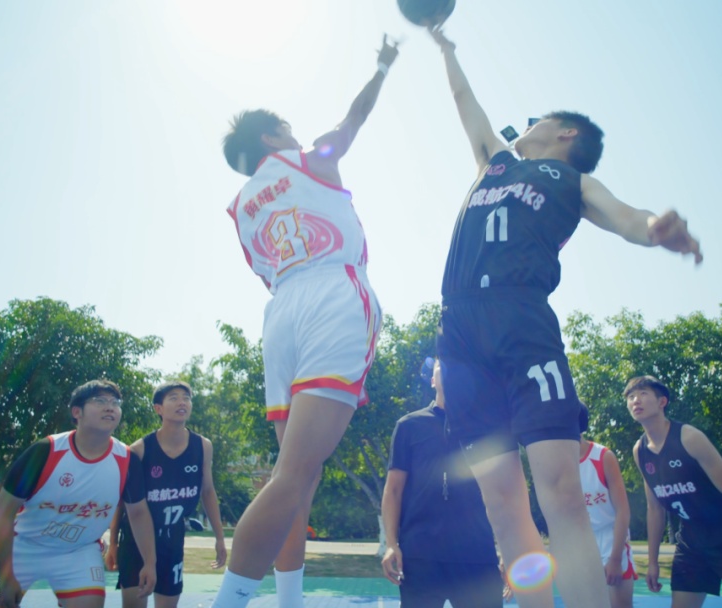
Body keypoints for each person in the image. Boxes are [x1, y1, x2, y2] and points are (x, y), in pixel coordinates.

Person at [426, 28, 703, 608]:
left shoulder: (575, 180)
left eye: (537, 119)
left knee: (561, 496)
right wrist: (445, 49)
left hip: (523, 324)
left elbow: (629, 218)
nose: (523, 125)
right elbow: (463, 101)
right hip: (460, 335)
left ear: (565, 132)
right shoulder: (495, 162)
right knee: (502, 505)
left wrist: (657, 229)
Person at [210, 35, 399, 608]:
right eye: (286, 128)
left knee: (298, 476)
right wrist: (382, 67)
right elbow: (355, 118)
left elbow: (262, 270)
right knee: (292, 476)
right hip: (331, 294)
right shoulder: (307, 158)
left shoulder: (240, 206)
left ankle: (289, 600)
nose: (295, 134)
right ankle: (229, 602)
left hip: (281, 312)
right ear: (271, 139)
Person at [0, 380, 156, 608]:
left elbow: (139, 513)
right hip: (22, 545)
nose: (110, 407)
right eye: (100, 401)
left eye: (115, 402)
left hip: (78, 551)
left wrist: (149, 563)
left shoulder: (127, 460)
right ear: (76, 412)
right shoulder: (45, 451)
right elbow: (3, 513)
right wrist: (5, 576)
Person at [627, 376, 722, 608]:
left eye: (643, 394)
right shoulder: (639, 451)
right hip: (691, 542)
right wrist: (652, 562)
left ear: (662, 402)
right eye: (631, 397)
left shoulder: (689, 437)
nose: (635, 400)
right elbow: (655, 508)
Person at [381, 358, 504, 608]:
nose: (449, 370)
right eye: (442, 365)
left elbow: (502, 493)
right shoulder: (409, 426)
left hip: (476, 557)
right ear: (432, 379)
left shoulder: (485, 428)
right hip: (420, 557)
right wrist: (391, 544)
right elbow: (393, 490)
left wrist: (506, 548)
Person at [105, 381, 227, 607]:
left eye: (186, 398)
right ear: (158, 408)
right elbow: (122, 501)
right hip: (136, 541)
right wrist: (113, 543)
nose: (182, 402)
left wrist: (219, 537)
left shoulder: (203, 446)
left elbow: (208, 491)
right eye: (174, 398)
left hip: (172, 539)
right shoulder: (139, 450)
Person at [578, 434, 638, 608]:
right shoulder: (560, 463)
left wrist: (615, 559)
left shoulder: (603, 456)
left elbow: (623, 510)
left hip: (611, 540)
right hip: (582, 542)